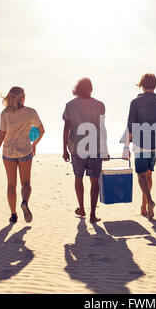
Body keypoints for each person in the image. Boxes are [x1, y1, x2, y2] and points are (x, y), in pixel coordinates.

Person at [122, 73, 156, 220]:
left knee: (141, 174)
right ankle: (143, 207)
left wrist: (126, 147)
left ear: (141, 85)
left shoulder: (135, 103)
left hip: (140, 143)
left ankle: (149, 201)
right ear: (155, 85)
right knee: (149, 173)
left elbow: (130, 125)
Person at [0, 86, 45, 223]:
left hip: (8, 152)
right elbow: (42, 130)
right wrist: (34, 144)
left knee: (11, 185)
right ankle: (25, 202)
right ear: (22, 98)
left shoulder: (5, 113)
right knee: (26, 183)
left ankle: (13, 214)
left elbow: (1, 134)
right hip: (25, 151)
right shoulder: (30, 112)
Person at [63, 78, 109, 223]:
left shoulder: (70, 105)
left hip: (77, 149)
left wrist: (64, 148)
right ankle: (93, 214)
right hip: (95, 149)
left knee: (78, 178)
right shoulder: (99, 105)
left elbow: (66, 128)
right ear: (91, 89)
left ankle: (82, 208)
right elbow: (102, 129)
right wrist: (105, 150)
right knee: (94, 181)